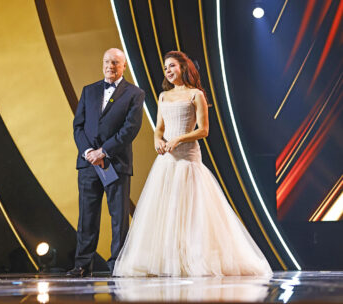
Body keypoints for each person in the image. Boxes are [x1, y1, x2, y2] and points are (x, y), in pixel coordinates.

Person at [113, 51, 272, 277]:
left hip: (188, 160)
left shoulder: (196, 94)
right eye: (165, 67)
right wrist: (158, 140)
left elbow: (204, 130)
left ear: (183, 68)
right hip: (167, 162)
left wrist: (178, 138)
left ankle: (193, 257)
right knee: (167, 211)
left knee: (191, 212)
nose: (168, 71)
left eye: (172, 66)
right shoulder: (163, 96)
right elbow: (159, 128)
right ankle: (168, 259)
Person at [67, 48, 145, 277]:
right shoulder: (88, 90)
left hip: (116, 164)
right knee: (87, 217)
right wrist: (89, 152)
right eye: (107, 62)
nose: (110, 66)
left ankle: (117, 266)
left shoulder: (134, 93)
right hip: (89, 164)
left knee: (119, 218)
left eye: (115, 62)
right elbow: (78, 126)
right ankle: (82, 265)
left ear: (124, 66)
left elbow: (130, 129)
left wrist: (104, 151)